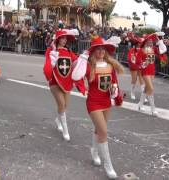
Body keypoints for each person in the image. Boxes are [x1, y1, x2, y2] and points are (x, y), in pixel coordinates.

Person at [72, 36, 124, 179]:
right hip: (94, 102)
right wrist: (82, 59)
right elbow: (76, 76)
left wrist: (115, 91)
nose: (101, 51)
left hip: (106, 102)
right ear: (93, 51)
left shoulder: (110, 65)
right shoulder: (89, 66)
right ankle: (108, 165)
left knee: (98, 130)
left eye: (103, 49)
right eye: (98, 49)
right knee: (103, 131)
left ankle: (94, 152)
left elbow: (114, 83)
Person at [43, 29, 85, 141]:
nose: (64, 40)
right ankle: (66, 130)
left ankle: (58, 120)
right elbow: (47, 66)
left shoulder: (69, 52)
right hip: (55, 82)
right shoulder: (51, 51)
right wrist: (52, 56)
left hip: (67, 83)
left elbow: (76, 65)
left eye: (66, 38)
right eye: (62, 38)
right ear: (57, 39)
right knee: (61, 104)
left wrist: (83, 58)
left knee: (64, 106)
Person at [137, 33, 167, 115]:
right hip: (145, 71)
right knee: (151, 88)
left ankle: (140, 104)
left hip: (152, 71)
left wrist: (160, 41)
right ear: (146, 42)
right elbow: (138, 61)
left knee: (147, 89)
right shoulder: (141, 50)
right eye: (149, 41)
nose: (151, 42)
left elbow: (163, 50)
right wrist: (144, 63)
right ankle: (153, 109)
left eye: (151, 41)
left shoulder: (154, 49)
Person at [127, 34, 145, 100]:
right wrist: (134, 62)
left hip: (140, 67)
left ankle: (143, 95)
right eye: (139, 44)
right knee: (134, 80)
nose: (140, 45)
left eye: (140, 44)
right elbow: (130, 59)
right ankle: (132, 92)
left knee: (142, 80)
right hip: (134, 67)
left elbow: (144, 58)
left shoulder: (142, 50)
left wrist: (143, 63)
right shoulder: (132, 50)